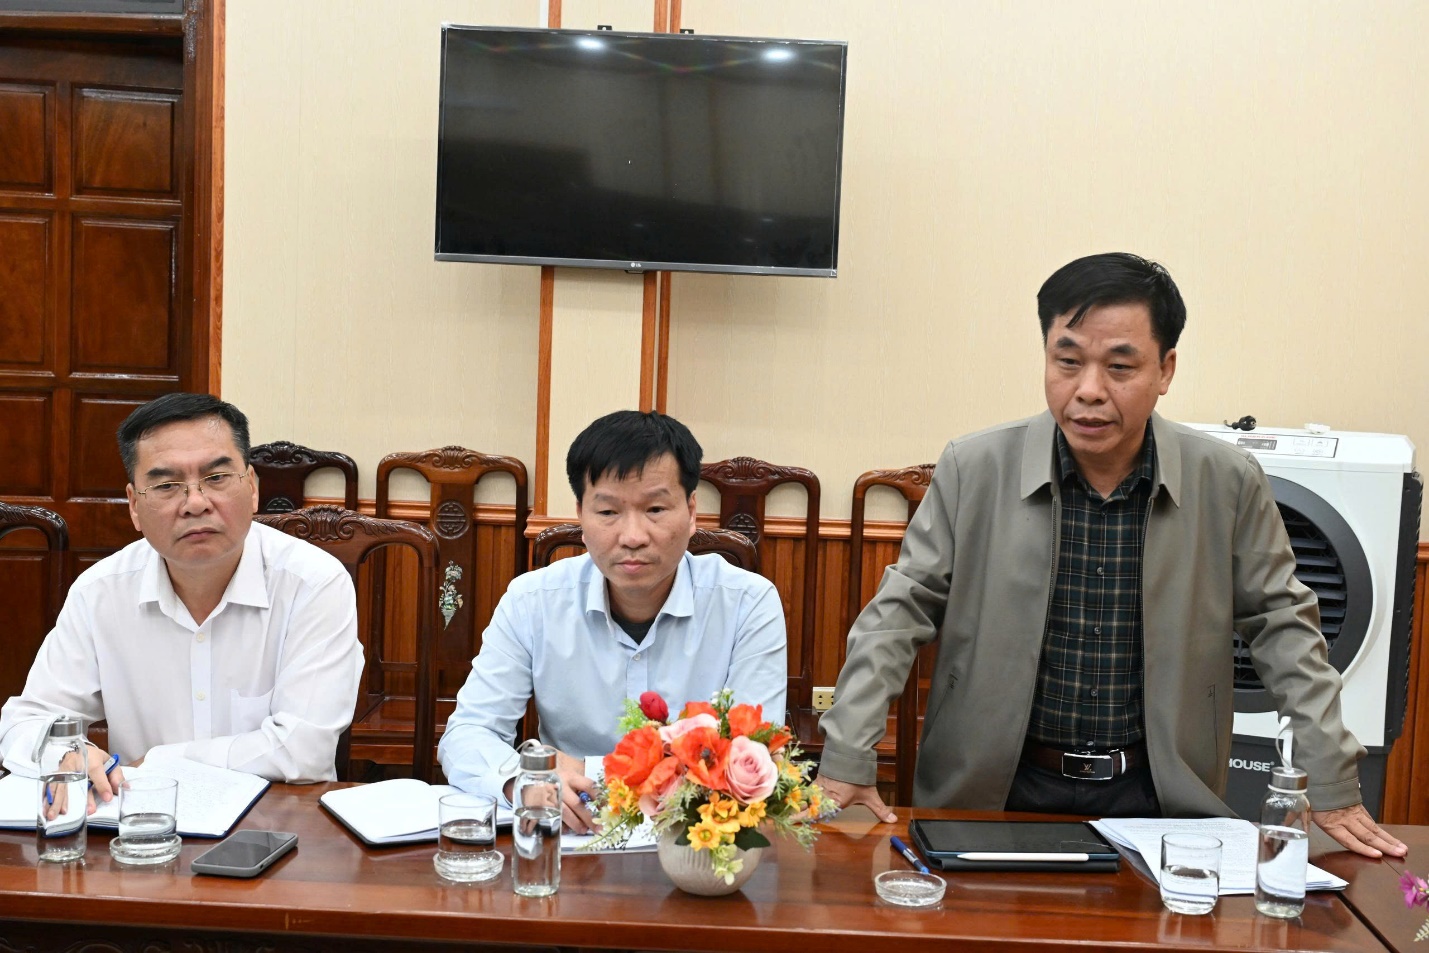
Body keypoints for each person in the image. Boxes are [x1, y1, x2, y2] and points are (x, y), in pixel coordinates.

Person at [817, 252, 1406, 859]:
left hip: (1161, 796)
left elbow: (1284, 628)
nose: (1089, 391)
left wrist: (1329, 776)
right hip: (992, 789)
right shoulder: (974, 468)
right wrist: (847, 751)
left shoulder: (1227, 480)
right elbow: (899, 613)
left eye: (1120, 366)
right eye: (1067, 361)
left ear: (1165, 369)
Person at [0, 393, 363, 809]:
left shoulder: (313, 583)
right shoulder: (100, 592)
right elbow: (26, 721)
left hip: (281, 824)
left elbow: (304, 750)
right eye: (167, 485)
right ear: (135, 506)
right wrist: (66, 752)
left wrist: (156, 764)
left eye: (217, 477)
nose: (195, 503)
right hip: (142, 827)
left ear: (252, 488)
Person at [439, 410, 787, 832]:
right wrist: (522, 781)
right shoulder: (532, 601)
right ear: (581, 516)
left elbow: (755, 753)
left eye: (655, 508)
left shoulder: (748, 604)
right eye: (607, 512)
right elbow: (467, 734)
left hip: (694, 842)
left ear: (692, 511)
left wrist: (585, 771)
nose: (633, 536)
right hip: (569, 837)